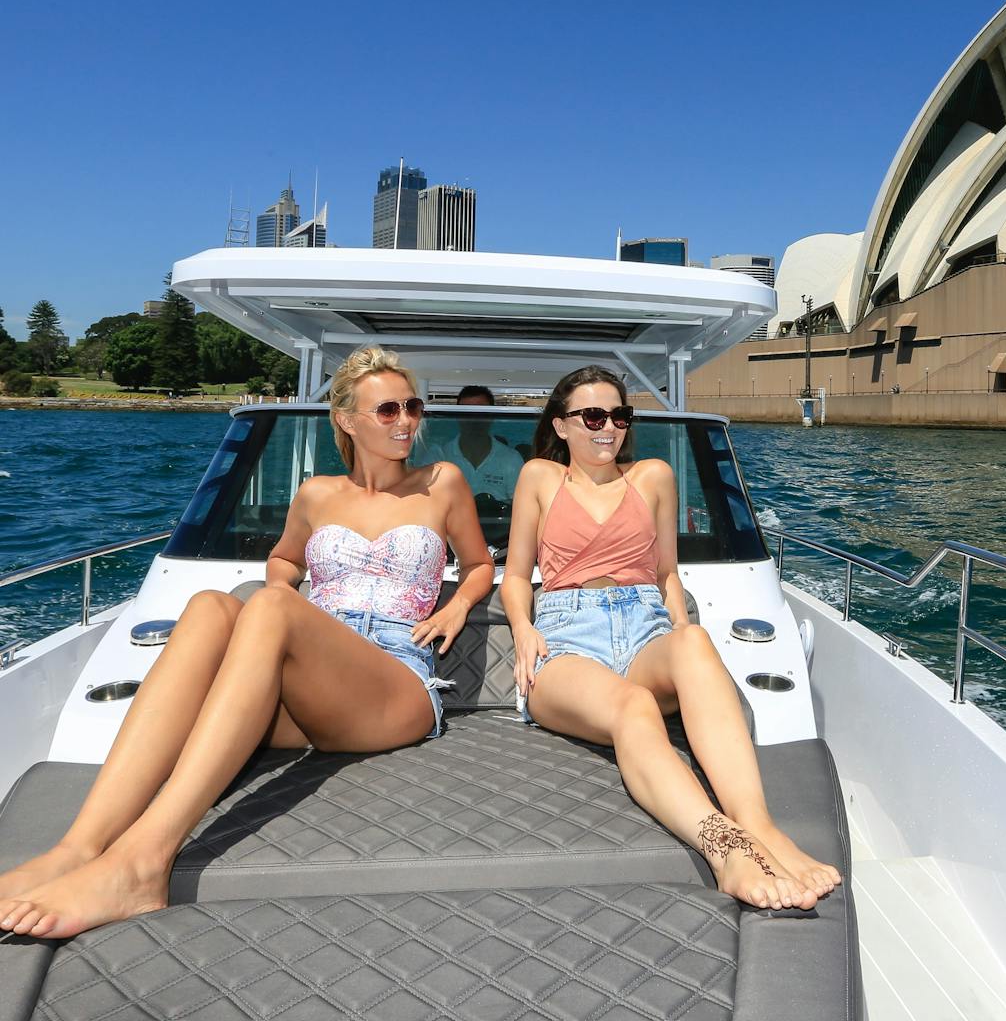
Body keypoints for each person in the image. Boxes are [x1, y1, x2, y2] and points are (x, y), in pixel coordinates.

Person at [0, 346, 494, 939]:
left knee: (269, 605)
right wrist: (288, 592)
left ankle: (143, 863)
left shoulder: (440, 482)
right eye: (387, 410)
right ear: (346, 420)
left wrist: (459, 606)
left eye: (412, 406)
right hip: (316, 684)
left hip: (394, 681)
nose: (406, 421)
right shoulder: (316, 494)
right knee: (210, 607)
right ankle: (78, 847)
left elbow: (477, 564)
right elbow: (284, 559)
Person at [501, 365, 841, 911]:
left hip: (643, 626)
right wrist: (522, 628)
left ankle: (759, 827)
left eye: (618, 415)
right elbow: (516, 577)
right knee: (632, 706)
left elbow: (665, 576)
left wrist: (687, 641)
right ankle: (724, 848)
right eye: (592, 416)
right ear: (562, 426)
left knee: (695, 643)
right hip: (566, 636)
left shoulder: (653, 476)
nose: (607, 427)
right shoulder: (540, 477)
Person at [438, 385, 525, 501]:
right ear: (457, 416)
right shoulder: (439, 457)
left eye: (481, 412)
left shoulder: (512, 459)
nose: (474, 419)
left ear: (492, 416)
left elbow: (520, 507)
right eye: (467, 413)